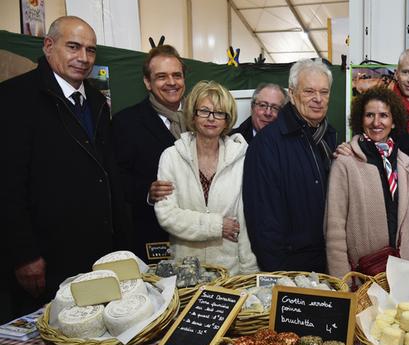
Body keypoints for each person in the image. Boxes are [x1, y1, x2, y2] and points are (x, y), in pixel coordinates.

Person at [1, 16, 129, 318]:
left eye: (90, 50)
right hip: (46, 259)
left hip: (95, 256)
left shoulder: (96, 101)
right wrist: (25, 255)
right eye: (73, 47)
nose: (83, 58)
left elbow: (107, 172)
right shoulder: (15, 98)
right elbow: (7, 185)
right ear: (48, 46)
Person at [154, 81, 258, 275]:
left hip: (229, 272)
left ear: (227, 120)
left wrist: (249, 273)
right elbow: (168, 216)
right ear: (193, 115)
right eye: (204, 111)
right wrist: (218, 226)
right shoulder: (171, 157)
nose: (211, 118)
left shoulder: (242, 159)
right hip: (185, 272)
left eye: (219, 113)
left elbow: (245, 221)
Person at [244, 58, 337, 271]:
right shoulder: (267, 144)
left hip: (326, 262)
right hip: (290, 267)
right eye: (309, 91)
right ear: (292, 95)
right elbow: (262, 220)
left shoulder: (329, 138)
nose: (318, 99)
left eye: (324, 92)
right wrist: (279, 274)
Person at [325, 87, 409, 278]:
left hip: (403, 272)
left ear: (394, 121)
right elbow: (334, 229)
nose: (376, 122)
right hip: (362, 276)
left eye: (384, 115)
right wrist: (342, 281)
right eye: (369, 115)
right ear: (360, 120)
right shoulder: (345, 162)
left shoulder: (405, 163)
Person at [111, 45, 186, 262]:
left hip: (198, 238)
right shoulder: (126, 123)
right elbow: (117, 179)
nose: (171, 82)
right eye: (161, 76)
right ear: (147, 82)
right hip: (152, 237)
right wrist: (147, 192)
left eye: (176, 75)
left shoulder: (199, 119)